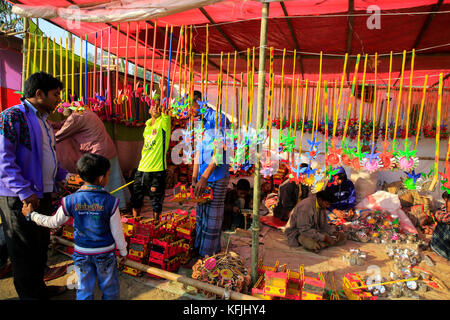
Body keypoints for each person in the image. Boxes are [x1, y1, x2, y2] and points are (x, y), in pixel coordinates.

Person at [22, 153, 128, 300]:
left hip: (82, 254)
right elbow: (117, 231)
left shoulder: (70, 200)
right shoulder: (111, 202)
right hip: (105, 254)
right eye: (108, 175)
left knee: (84, 288)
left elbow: (53, 222)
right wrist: (123, 251)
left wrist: (31, 215)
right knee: (110, 289)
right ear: (101, 178)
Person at [0, 72, 68, 299]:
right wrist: (25, 191)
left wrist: (65, 176)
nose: (59, 99)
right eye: (55, 94)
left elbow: (46, 157)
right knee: (23, 251)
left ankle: (39, 291)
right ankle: (30, 296)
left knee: (39, 247)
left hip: (43, 193)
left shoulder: (44, 121)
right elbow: (3, 160)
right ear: (39, 94)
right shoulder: (12, 117)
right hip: (20, 197)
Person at [55, 105, 131, 210]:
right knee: (114, 179)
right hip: (108, 148)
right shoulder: (86, 112)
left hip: (98, 153)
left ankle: (105, 208)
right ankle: (120, 205)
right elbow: (63, 124)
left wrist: (47, 137)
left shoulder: (76, 117)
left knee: (100, 183)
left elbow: (61, 134)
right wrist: (53, 125)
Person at [191, 90, 231, 257]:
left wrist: (205, 177)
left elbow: (220, 151)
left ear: (199, 102)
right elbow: (198, 151)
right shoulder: (199, 122)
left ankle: (208, 256)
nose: (188, 112)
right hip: (202, 177)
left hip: (216, 175)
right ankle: (199, 250)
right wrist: (195, 178)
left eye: (189, 107)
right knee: (201, 215)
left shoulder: (218, 119)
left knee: (213, 218)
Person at [131, 86, 171, 221]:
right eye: (153, 105)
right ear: (149, 109)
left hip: (157, 170)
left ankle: (155, 224)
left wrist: (163, 91)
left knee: (156, 201)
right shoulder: (147, 125)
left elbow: (165, 109)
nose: (155, 107)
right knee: (136, 198)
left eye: (158, 106)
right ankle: (136, 223)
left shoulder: (164, 123)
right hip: (142, 169)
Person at [430, 192, 450, 260]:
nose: (445, 204)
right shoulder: (444, 209)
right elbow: (438, 212)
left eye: (447, 202)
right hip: (438, 249)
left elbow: (445, 218)